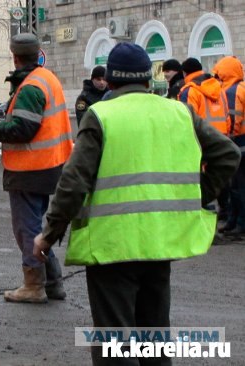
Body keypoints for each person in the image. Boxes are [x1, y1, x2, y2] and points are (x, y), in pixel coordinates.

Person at [33, 42, 240, 365]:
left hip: (112, 247)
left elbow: (73, 183)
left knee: (115, 346)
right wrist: (196, 196)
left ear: (110, 81)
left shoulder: (101, 115)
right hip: (160, 242)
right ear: (148, 79)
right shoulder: (177, 111)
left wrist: (48, 235)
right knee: (154, 340)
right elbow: (227, 155)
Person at [0, 33, 73, 303]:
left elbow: (23, 128)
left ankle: (34, 285)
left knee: (27, 229)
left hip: (30, 168)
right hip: (51, 164)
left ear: (14, 56)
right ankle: (52, 282)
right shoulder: (47, 78)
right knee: (34, 227)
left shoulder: (30, 87)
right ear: (37, 53)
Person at [179, 57, 231, 220]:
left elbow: (186, 119)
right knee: (223, 180)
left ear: (184, 72)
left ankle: (205, 214)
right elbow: (227, 116)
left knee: (200, 180)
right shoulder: (219, 89)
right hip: (221, 139)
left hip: (199, 141)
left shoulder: (189, 91)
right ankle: (227, 213)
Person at [213, 56, 245, 236]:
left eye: (219, 74)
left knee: (237, 186)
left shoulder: (232, 91)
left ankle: (239, 223)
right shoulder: (241, 87)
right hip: (242, 142)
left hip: (238, 143)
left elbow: (233, 120)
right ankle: (234, 221)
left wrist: (226, 139)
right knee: (238, 186)